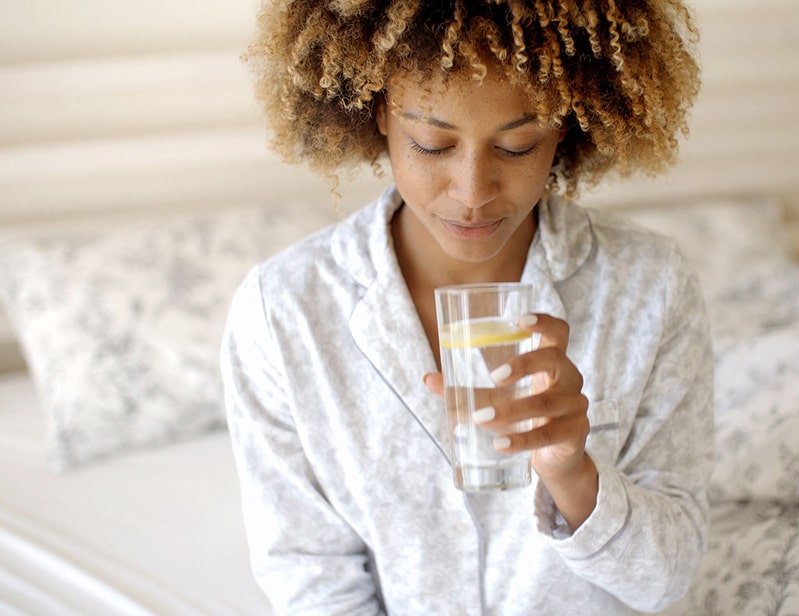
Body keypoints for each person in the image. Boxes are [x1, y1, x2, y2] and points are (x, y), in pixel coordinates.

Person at [221, 1, 713, 614]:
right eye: (431, 145)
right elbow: (309, 577)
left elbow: (667, 581)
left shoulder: (652, 287)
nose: (474, 193)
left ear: (564, 128)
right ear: (378, 112)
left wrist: (573, 475)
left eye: (517, 145)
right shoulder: (283, 313)